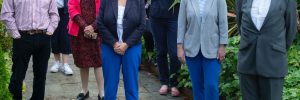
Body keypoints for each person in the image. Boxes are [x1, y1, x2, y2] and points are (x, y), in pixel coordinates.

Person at [235, 0, 297, 99]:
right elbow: (239, 22)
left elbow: (291, 28)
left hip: (273, 61)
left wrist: (277, 49)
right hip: (247, 60)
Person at [0, 0, 59, 99]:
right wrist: (15, 33)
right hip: (21, 37)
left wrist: (50, 30)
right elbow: (6, 14)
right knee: (17, 75)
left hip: (43, 36)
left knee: (41, 75)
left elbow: (54, 14)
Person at [177, 0, 228, 99]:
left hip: (213, 50)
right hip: (192, 49)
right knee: (197, 86)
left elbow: (223, 23)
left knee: (211, 86)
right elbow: (181, 23)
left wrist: (223, 46)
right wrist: (179, 47)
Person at [97, 0, 145, 99]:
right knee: (110, 85)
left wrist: (127, 44)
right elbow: (100, 23)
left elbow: (142, 25)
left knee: (131, 84)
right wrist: (114, 43)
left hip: (132, 47)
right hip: (109, 46)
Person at [68, 0, 104, 99]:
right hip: (79, 31)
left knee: (99, 62)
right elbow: (72, 8)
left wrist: (93, 26)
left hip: (97, 30)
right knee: (82, 62)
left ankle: (102, 93)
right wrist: (85, 26)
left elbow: (104, 10)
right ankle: (84, 90)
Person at [149, 0, 181, 96]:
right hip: (156, 16)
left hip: (174, 16)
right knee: (161, 51)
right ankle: (164, 82)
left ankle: (174, 83)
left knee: (174, 53)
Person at [50, 0, 73, 75]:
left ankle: (65, 64)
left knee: (65, 37)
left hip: (64, 12)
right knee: (54, 38)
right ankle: (57, 62)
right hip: (51, 12)